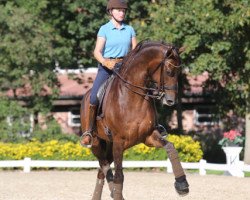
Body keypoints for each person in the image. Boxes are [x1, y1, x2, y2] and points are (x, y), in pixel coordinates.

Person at [81, 0, 137, 147]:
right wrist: (106, 62)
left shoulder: (130, 29)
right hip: (107, 68)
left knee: (143, 90)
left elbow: (135, 52)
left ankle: (154, 125)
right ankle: (89, 131)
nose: (122, 13)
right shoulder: (104, 29)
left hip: (125, 68)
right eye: (118, 10)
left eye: (123, 11)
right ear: (111, 11)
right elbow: (96, 52)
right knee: (93, 97)